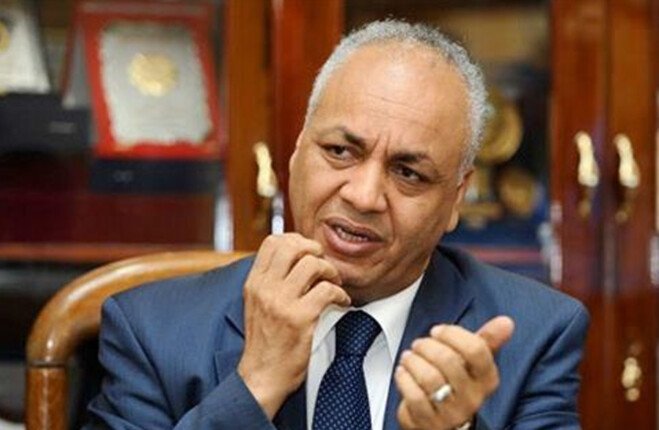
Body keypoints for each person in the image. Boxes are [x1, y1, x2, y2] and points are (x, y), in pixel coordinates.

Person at [85, 20, 589, 430]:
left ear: (457, 198)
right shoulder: (152, 330)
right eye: (340, 151)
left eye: (408, 173)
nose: (363, 196)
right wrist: (256, 385)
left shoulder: (535, 336)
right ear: (296, 153)